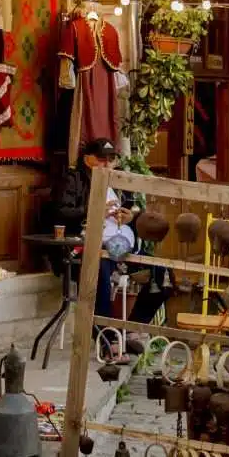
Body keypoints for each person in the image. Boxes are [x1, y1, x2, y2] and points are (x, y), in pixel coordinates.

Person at [53, 138, 170, 351]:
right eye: (101, 159)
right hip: (88, 246)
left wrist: (131, 217)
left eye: (111, 160)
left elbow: (135, 209)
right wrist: (94, 210)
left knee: (163, 274)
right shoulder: (75, 179)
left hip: (122, 246)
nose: (106, 165)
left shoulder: (119, 182)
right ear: (87, 158)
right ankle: (107, 340)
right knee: (101, 271)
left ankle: (131, 330)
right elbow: (61, 212)